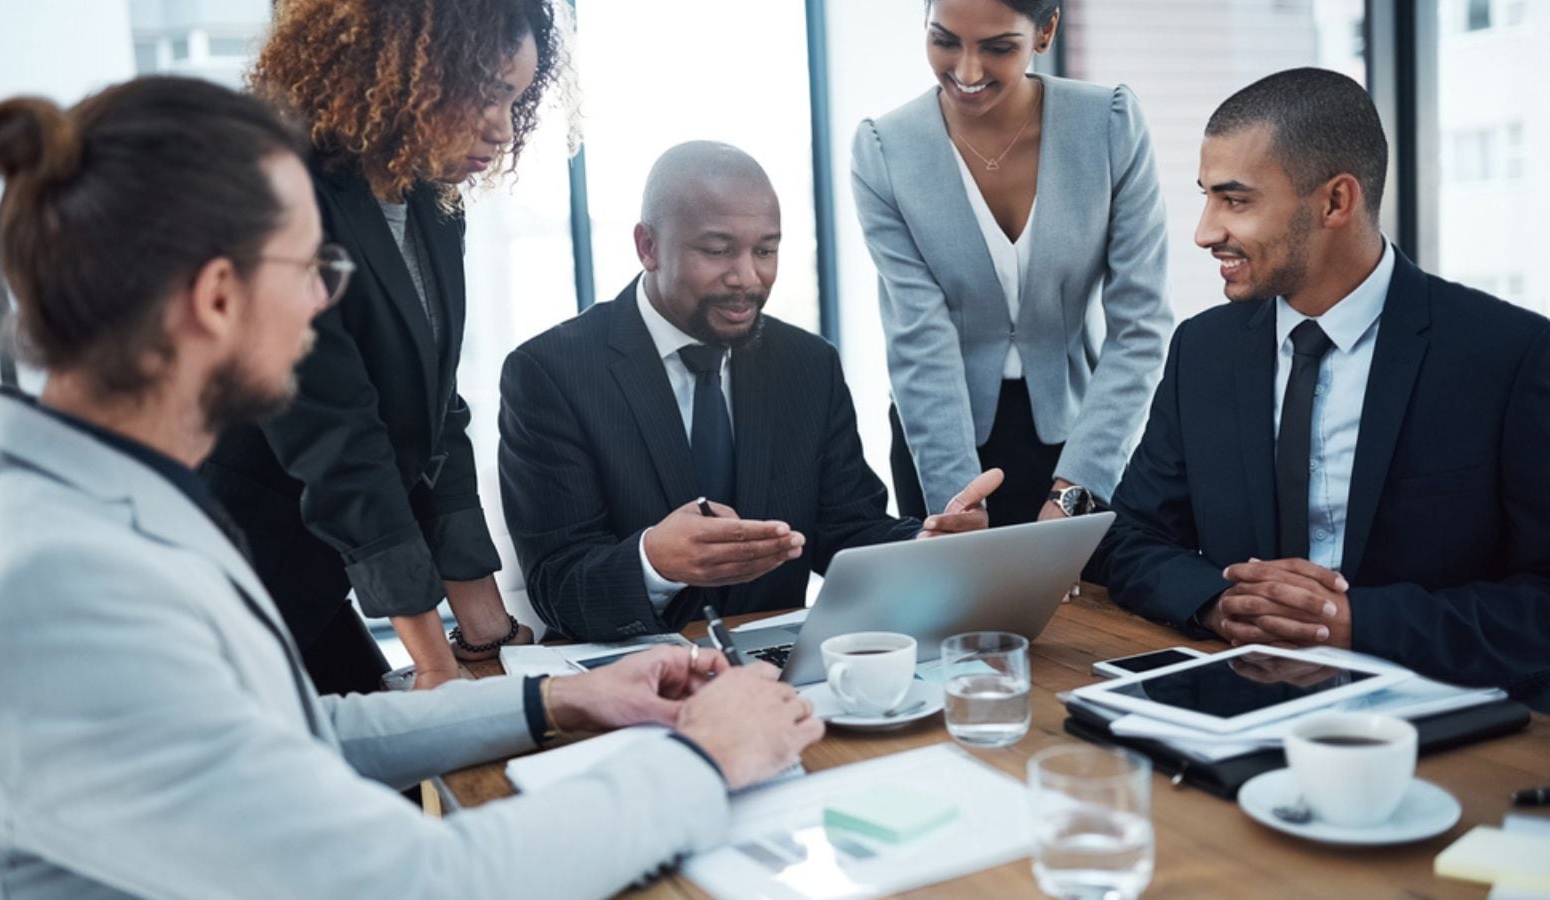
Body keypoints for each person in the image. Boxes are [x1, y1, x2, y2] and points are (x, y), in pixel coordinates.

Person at [0, 77, 823, 900]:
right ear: (218, 300)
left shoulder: (96, 508)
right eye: (312, 272)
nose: (323, 306)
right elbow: (421, 885)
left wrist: (562, 695)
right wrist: (705, 763)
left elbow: (290, 737)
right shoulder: (54, 583)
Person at [1096, 68, 1550, 710]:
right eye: (1206, 197)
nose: (1204, 231)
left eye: (1235, 200)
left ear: (1336, 202)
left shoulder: (1509, 354)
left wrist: (1351, 624)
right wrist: (1221, 603)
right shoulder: (1202, 349)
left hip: (1437, 723)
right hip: (1238, 706)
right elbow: (1132, 539)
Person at [499, 141, 1003, 642]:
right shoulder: (550, 373)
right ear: (647, 247)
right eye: (717, 251)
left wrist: (928, 544)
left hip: (777, 665)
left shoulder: (809, 364)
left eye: (766, 250)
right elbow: (557, 584)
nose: (748, 278)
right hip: (630, 669)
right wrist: (655, 560)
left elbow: (849, 529)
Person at [200, 0, 559, 693]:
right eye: (487, 94)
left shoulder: (428, 198)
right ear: (403, 69)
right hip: (236, 578)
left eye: (515, 100)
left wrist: (487, 628)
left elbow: (435, 416)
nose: (504, 129)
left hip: (315, 579)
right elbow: (341, 445)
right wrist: (433, 663)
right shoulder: (284, 197)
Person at [852, 0, 1172, 529]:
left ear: (1045, 31)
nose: (967, 71)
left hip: (1083, 437)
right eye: (945, 40)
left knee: (1087, 609)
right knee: (957, 603)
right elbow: (919, 338)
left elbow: (1141, 325)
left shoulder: (1109, 124)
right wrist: (956, 501)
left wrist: (1077, 491)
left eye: (998, 48)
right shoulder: (884, 150)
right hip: (942, 440)